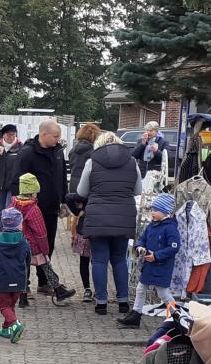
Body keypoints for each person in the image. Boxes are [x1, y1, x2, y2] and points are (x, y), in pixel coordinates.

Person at [77, 131, 142, 315]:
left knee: (99, 259)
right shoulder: (132, 162)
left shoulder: (92, 162)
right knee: (120, 259)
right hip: (124, 216)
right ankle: (123, 301)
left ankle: (101, 303)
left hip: (98, 215)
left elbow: (82, 191)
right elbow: (138, 190)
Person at [17, 118, 75, 301]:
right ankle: (23, 285)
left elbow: (61, 176)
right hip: (31, 208)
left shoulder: (57, 152)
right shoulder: (27, 153)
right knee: (28, 247)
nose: (58, 140)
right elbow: (18, 180)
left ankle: (43, 282)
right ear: (43, 135)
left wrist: (64, 198)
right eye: (55, 136)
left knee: (47, 244)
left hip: (51, 208)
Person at [118, 194, 180, 328]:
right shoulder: (151, 226)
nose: (152, 213)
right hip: (149, 265)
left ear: (165, 212)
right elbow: (142, 238)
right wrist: (140, 246)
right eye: (152, 210)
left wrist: (156, 256)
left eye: (156, 211)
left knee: (163, 293)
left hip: (162, 266)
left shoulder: (170, 228)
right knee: (141, 288)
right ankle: (136, 314)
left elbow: (174, 247)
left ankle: (176, 317)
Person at [12, 173, 69, 307]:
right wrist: (45, 250)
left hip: (16, 243)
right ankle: (58, 290)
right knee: (46, 266)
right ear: (32, 193)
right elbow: (41, 233)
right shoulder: (34, 209)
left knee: (23, 269)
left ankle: (23, 297)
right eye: (36, 192)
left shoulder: (13, 204)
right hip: (33, 245)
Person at [0, 207, 30, 344]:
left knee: (4, 306)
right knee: (10, 305)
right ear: (19, 224)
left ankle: (15, 325)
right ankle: (6, 329)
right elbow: (28, 259)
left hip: (3, 279)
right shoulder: (23, 241)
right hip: (18, 278)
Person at [68, 122, 100, 302]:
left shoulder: (74, 151)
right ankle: (95, 289)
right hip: (88, 192)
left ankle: (86, 288)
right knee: (95, 254)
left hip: (74, 189)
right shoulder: (94, 153)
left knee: (78, 218)